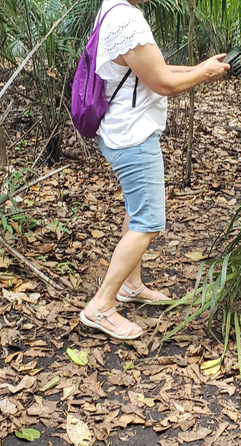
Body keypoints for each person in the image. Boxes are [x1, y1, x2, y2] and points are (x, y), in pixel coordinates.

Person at [79, 0, 230, 340]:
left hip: (120, 131)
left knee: (136, 213)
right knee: (148, 222)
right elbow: (162, 83)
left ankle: (130, 285)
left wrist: (196, 67)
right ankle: (101, 305)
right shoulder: (127, 20)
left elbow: (150, 68)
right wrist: (204, 73)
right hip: (132, 137)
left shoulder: (112, 10)